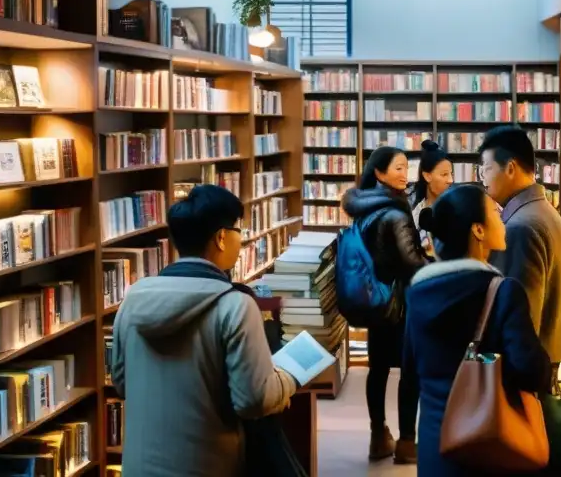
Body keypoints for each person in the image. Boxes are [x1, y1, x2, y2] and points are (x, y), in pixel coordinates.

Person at [110, 184, 298, 477]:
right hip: (209, 465)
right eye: (239, 230)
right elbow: (253, 400)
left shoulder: (134, 298)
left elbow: (121, 383)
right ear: (222, 238)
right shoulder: (235, 305)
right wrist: (288, 379)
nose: (241, 239)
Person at [406, 183, 551, 476]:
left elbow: (410, 371)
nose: (501, 215)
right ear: (478, 230)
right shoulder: (502, 291)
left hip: (438, 444)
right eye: (493, 213)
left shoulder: (417, 291)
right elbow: (530, 370)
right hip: (489, 442)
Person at [341, 146, 429, 464]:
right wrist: (431, 256)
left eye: (407, 168)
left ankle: (378, 437)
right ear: (379, 173)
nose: (405, 174)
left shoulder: (365, 207)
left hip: (376, 301)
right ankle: (407, 443)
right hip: (402, 304)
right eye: (398, 168)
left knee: (377, 370)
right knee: (410, 372)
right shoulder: (395, 211)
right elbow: (412, 262)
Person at [479, 125, 561, 364]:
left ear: (510, 168)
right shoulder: (542, 210)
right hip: (543, 357)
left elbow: (520, 317)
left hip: (527, 368)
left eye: (487, 169)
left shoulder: (520, 226)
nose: (483, 179)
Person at [411, 139, 454, 255]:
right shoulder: (414, 217)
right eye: (444, 174)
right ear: (427, 176)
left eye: (451, 174)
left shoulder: (458, 210)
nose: (451, 180)